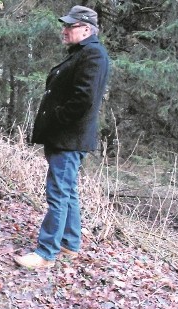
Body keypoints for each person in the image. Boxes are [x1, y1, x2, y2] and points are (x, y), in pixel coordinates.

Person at [15, 5, 110, 269]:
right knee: (67, 191)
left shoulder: (93, 54)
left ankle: (46, 253)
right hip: (65, 138)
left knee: (57, 193)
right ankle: (70, 243)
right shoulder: (82, 53)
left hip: (69, 139)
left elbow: (83, 99)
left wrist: (57, 119)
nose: (64, 30)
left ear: (86, 29)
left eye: (70, 26)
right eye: (65, 25)